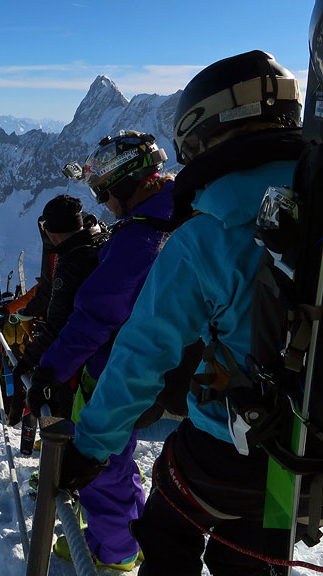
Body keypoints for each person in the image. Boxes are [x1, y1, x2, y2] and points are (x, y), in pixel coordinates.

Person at [55, 51, 303, 576]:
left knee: (166, 526)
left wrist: (90, 448)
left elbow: (143, 353)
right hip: (307, 452)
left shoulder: (206, 237)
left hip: (229, 447)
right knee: (252, 556)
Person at [25, 129, 175, 570]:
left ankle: (114, 552)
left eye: (104, 191)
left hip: (117, 370)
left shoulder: (138, 239)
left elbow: (95, 316)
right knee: (116, 458)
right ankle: (128, 533)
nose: (103, 202)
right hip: (157, 367)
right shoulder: (174, 213)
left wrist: (50, 370)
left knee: (97, 460)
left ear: (128, 183)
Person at [12, 194, 107, 421]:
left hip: (83, 358)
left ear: (53, 229)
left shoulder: (71, 261)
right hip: (112, 351)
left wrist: (28, 359)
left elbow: (58, 321)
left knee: (75, 421)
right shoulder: (99, 241)